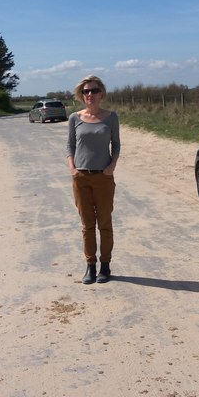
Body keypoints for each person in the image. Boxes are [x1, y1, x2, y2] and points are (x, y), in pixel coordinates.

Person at [66, 75, 121, 284]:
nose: (90, 94)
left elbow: (116, 144)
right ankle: (90, 266)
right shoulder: (74, 118)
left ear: (101, 93)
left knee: (104, 223)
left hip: (103, 178)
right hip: (81, 178)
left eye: (94, 90)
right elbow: (70, 145)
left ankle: (105, 265)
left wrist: (111, 166)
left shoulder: (111, 117)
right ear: (81, 95)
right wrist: (73, 169)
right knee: (87, 225)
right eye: (86, 91)